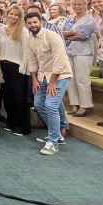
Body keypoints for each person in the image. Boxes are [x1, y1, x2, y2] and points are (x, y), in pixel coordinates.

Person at [25, 12, 73, 156]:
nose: (33, 25)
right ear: (26, 25)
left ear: (40, 21)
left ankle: (53, 141)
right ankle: (57, 135)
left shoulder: (52, 36)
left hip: (60, 76)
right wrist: (34, 79)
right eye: (30, 23)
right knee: (39, 105)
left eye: (35, 22)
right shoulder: (29, 39)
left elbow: (60, 60)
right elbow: (32, 60)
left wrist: (53, 82)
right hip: (42, 76)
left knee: (51, 105)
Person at [0, 5, 30, 135]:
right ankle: (11, 122)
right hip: (3, 66)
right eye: (11, 14)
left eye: (16, 15)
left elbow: (27, 51)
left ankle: (22, 127)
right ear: (7, 14)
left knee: (19, 97)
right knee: (7, 97)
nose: (13, 17)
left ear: (19, 17)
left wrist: (23, 68)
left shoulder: (23, 31)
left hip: (18, 68)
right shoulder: (0, 30)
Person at [62, 0, 96, 118]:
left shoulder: (90, 20)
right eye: (74, 4)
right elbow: (59, 33)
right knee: (70, 79)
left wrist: (68, 35)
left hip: (83, 52)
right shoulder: (69, 19)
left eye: (79, 4)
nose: (77, 7)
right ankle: (74, 104)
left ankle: (84, 106)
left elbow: (83, 35)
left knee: (82, 80)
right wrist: (71, 33)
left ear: (85, 5)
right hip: (68, 52)